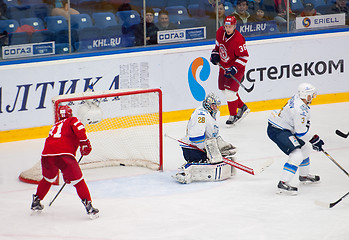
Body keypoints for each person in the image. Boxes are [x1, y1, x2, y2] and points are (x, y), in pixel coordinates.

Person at [30, 105, 99, 218]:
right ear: (70, 113)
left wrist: (65, 172)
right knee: (78, 181)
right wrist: (85, 142)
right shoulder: (72, 120)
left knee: (48, 179)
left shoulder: (55, 125)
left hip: (46, 155)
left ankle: (36, 201)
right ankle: (89, 207)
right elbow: (80, 129)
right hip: (64, 156)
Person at [267, 83, 324, 195]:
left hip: (283, 127)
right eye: (311, 95)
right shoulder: (300, 110)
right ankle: (283, 183)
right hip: (278, 130)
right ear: (307, 95)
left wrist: (312, 140)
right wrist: (315, 139)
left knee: (305, 149)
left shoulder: (298, 98)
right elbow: (301, 133)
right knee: (297, 154)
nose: (312, 97)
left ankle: (304, 175)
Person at [174, 93, 237, 184]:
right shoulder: (201, 115)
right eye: (213, 105)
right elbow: (196, 137)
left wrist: (218, 146)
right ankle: (187, 170)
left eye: (217, 106)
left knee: (221, 158)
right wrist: (209, 150)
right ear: (208, 104)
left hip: (205, 146)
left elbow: (213, 134)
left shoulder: (214, 113)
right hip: (192, 149)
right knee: (214, 161)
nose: (216, 108)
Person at [210, 16, 250, 125]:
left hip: (236, 68)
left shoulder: (238, 39)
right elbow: (217, 47)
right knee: (223, 90)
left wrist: (234, 68)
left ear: (235, 26)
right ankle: (242, 106)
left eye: (230, 27)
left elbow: (244, 57)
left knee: (230, 92)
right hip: (223, 66)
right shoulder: (220, 32)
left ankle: (233, 115)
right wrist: (215, 54)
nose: (228, 29)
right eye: (226, 26)